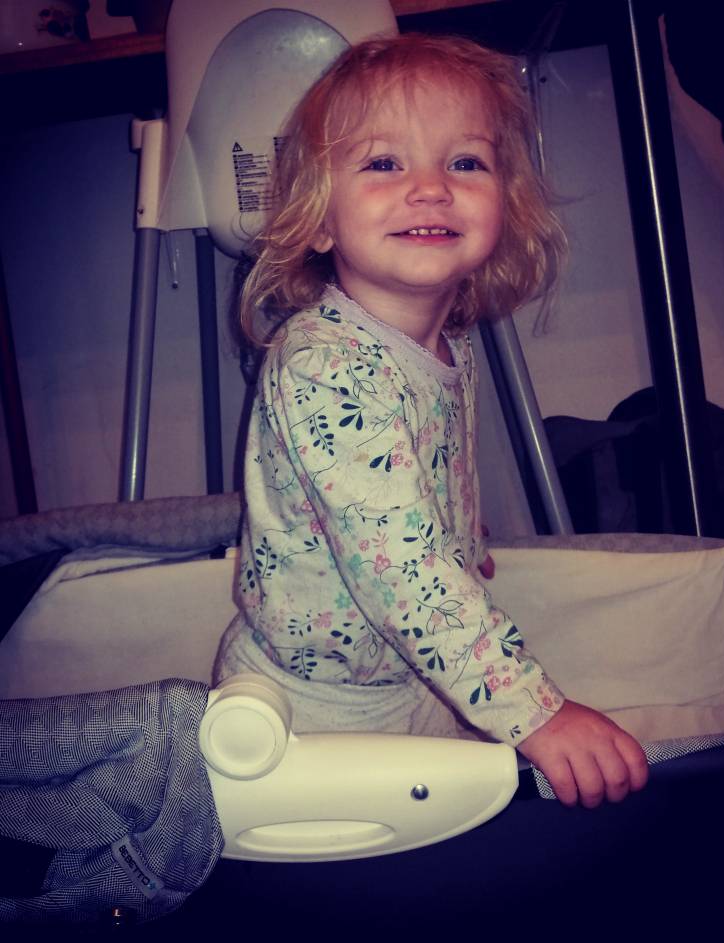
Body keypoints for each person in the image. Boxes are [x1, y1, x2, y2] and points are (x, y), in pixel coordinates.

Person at [214, 32, 648, 808]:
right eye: (384, 163)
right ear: (319, 218)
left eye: (465, 162)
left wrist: (458, 537)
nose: (429, 188)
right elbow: (403, 574)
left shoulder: (448, 342)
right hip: (318, 706)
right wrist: (536, 712)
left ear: (504, 204)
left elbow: (410, 485)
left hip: (413, 671)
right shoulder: (323, 364)